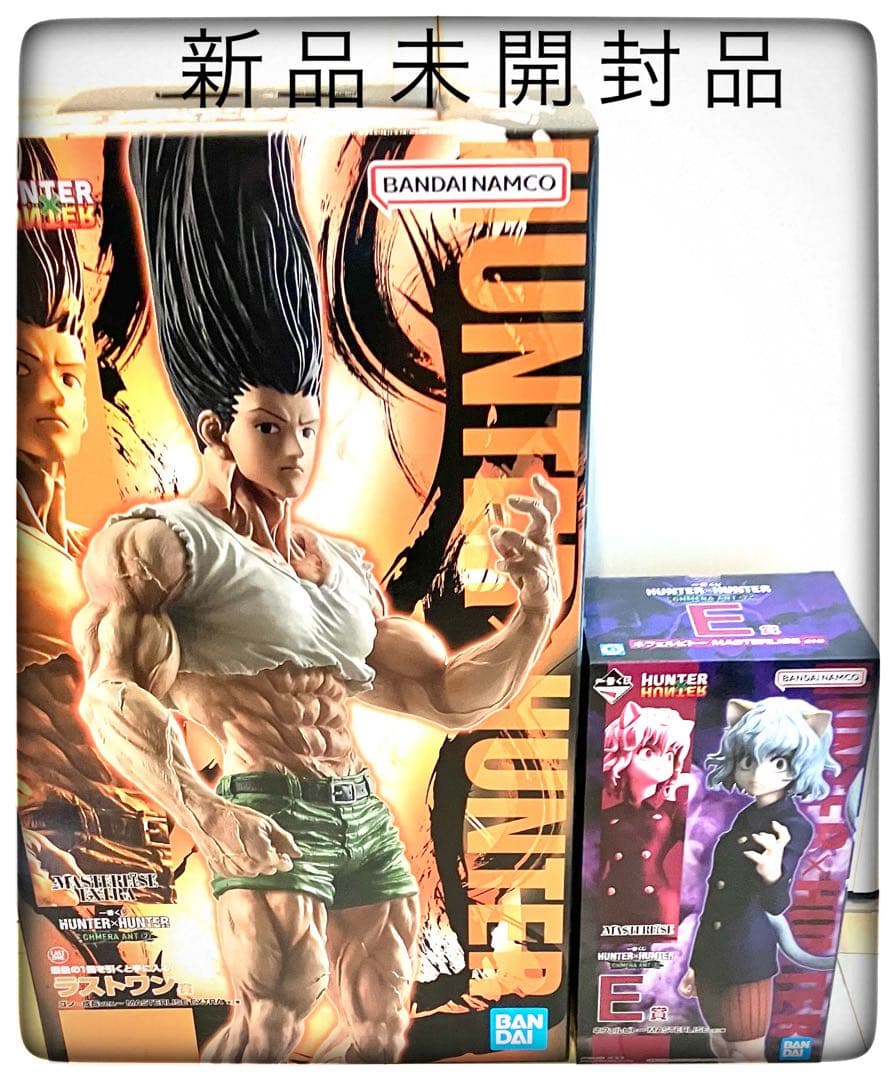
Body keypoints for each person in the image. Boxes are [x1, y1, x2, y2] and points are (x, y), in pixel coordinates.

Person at [73, 132, 562, 1064]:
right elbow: (114, 696)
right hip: (264, 804)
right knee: (273, 1019)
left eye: (306, 424)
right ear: (216, 429)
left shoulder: (341, 566)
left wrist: (533, 612)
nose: (296, 449)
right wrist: (207, 815)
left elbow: (443, 697)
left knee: (381, 1026)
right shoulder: (162, 545)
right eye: (270, 427)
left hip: (361, 811)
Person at [16, 137, 169, 900]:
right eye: (22, 370)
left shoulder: (77, 546)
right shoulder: (35, 569)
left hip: (119, 872)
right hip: (59, 877)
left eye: (69, 374)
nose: (55, 396)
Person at [677, 697, 839, 1061]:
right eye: (748, 760)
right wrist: (696, 965)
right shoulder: (745, 817)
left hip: (747, 961)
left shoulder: (794, 826)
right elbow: (715, 901)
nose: (756, 773)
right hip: (713, 959)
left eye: (778, 762)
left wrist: (772, 873)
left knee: (746, 1052)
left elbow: (775, 904)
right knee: (719, 1045)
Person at [599, 702, 693, 929]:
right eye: (649, 752)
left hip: (656, 909)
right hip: (612, 907)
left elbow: (703, 852)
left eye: (669, 755)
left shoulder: (674, 811)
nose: (662, 763)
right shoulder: (608, 815)